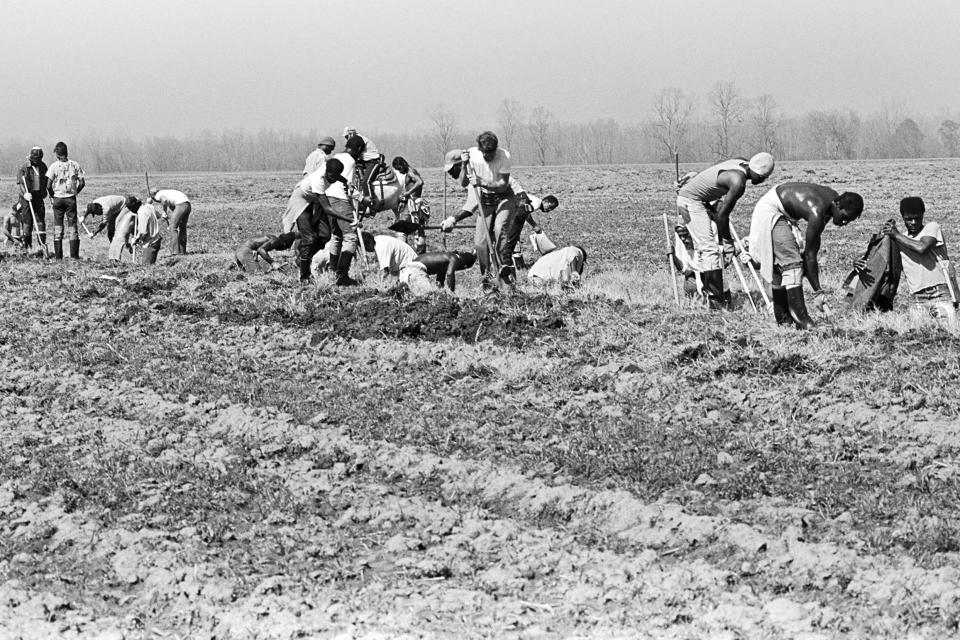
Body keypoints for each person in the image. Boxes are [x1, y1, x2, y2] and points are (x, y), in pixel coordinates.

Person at [745, 183, 863, 329]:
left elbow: (810, 252)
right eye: (845, 217)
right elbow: (810, 256)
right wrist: (818, 292)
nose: (844, 223)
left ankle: (783, 320)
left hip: (781, 211)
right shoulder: (817, 211)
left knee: (783, 264)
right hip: (770, 211)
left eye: (849, 221)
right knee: (792, 263)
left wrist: (816, 289)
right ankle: (803, 322)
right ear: (838, 205)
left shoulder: (831, 202)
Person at [676, 152, 775, 307]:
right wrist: (728, 242)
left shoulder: (740, 162)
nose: (763, 181)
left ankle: (714, 298)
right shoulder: (739, 182)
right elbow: (722, 216)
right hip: (691, 201)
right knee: (709, 248)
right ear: (758, 173)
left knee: (710, 249)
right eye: (763, 177)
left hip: (700, 200)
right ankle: (716, 302)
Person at [442, 132, 517, 287]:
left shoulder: (504, 156)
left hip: (504, 198)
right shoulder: (472, 156)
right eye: (484, 153)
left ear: (496, 149)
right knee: (480, 243)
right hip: (486, 201)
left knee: (499, 228)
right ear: (479, 149)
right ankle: (487, 277)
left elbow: (503, 185)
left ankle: (503, 266)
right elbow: (463, 183)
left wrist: (482, 182)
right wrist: (464, 164)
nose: (488, 156)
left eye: (491, 153)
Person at [866, 196, 957, 322]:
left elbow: (922, 248)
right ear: (902, 217)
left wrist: (896, 235)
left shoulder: (931, 228)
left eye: (917, 218)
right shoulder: (900, 239)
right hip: (917, 296)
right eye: (909, 219)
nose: (913, 222)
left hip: (939, 292)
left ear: (923, 215)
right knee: (919, 335)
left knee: (947, 334)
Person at [284, 158, 344, 282]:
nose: (333, 180)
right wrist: (347, 218)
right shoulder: (319, 180)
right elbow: (327, 209)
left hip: (313, 200)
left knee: (325, 235)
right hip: (301, 199)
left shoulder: (331, 171)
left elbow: (340, 178)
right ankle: (305, 276)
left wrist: (348, 185)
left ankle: (304, 257)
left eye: (336, 177)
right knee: (309, 238)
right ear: (327, 172)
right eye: (331, 177)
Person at [325, 136, 367, 286]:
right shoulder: (350, 161)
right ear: (359, 149)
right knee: (350, 237)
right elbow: (348, 186)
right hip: (340, 200)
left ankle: (332, 272)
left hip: (328, 197)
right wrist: (362, 198)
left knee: (336, 235)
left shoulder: (336, 156)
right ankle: (342, 276)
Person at [45, 141, 85, 259]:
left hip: (58, 199)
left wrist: (52, 196)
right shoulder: (75, 165)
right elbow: (82, 183)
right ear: (66, 152)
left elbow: (48, 185)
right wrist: (75, 192)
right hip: (70, 199)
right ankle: (74, 257)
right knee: (72, 226)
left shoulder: (54, 166)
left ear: (57, 154)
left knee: (58, 226)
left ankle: (58, 257)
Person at [509, 192, 558, 269]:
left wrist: (534, 225)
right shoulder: (537, 203)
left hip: (511, 211)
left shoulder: (534, 202)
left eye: (552, 209)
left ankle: (517, 263)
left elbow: (527, 213)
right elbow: (524, 212)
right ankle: (514, 263)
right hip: (513, 217)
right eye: (550, 207)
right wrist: (533, 225)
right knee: (513, 240)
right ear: (545, 201)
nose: (549, 210)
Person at [400, 249, 477, 295]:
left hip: (405, 272)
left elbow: (440, 282)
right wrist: (452, 294)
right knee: (429, 296)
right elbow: (450, 274)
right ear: (464, 265)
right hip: (415, 271)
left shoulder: (444, 261)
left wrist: (442, 291)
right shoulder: (454, 258)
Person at [392, 156, 428, 252]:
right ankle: (420, 252)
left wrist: (408, 193)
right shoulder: (409, 171)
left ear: (402, 165)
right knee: (419, 229)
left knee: (401, 228)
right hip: (415, 202)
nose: (399, 171)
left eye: (399, 169)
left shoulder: (410, 171)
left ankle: (403, 252)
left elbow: (420, 182)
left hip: (412, 204)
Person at [16, 147, 47, 254]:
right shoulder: (24, 167)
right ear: (31, 157)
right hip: (27, 198)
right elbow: (21, 183)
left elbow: (46, 180)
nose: (37, 161)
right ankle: (27, 246)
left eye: (39, 159)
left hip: (38, 197)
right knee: (27, 221)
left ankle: (42, 244)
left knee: (40, 220)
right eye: (35, 159)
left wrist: (45, 191)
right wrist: (25, 194)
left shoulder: (43, 166)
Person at [343, 126, 380, 203]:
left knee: (366, 181)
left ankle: (370, 201)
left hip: (372, 161)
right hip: (363, 161)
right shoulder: (356, 139)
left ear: (351, 134)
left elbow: (352, 153)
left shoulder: (358, 140)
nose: (346, 138)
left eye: (347, 136)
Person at [149, 188, 192, 255]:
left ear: (153, 195)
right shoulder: (167, 193)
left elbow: (164, 200)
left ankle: (174, 252)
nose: (158, 202)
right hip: (187, 205)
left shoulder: (158, 195)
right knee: (182, 228)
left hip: (180, 205)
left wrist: (164, 211)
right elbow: (174, 210)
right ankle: (182, 251)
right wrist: (170, 218)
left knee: (173, 228)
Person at [109, 197, 143, 261]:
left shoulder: (124, 212)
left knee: (114, 259)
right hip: (121, 240)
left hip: (116, 239)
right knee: (116, 259)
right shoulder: (132, 215)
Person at [132, 198, 164, 264]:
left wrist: (136, 240)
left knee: (146, 267)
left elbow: (143, 232)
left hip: (150, 243)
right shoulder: (149, 207)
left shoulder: (142, 212)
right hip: (156, 240)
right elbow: (158, 216)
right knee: (151, 265)